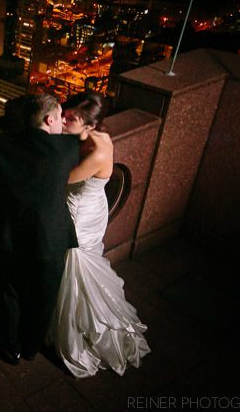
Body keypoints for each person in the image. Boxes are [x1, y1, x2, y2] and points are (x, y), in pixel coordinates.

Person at [0, 94, 80, 364]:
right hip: (50, 239)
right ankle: (31, 348)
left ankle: (12, 347)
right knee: (44, 299)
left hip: (9, 238)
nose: (63, 124)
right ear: (49, 119)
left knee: (11, 294)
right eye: (60, 118)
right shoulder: (67, 148)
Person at [49, 91, 150, 378]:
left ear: (90, 126)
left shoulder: (98, 152)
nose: (64, 120)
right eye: (65, 114)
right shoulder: (87, 136)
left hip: (80, 214)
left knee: (74, 266)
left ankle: (76, 330)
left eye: (71, 119)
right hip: (85, 204)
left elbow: (60, 181)